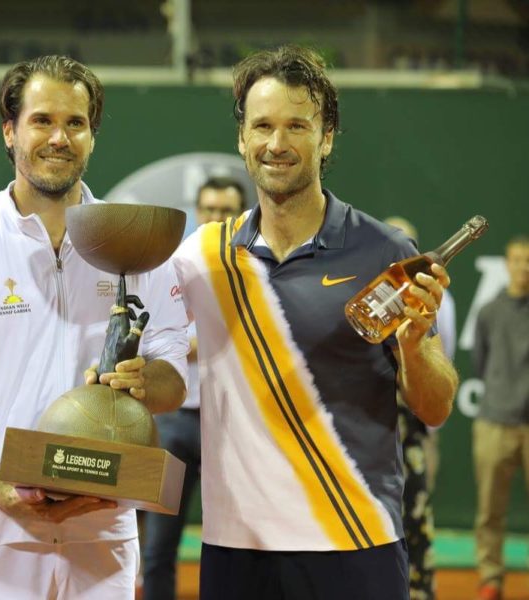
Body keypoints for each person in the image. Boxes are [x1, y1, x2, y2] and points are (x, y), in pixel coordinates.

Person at [170, 45, 458, 600]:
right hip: (238, 548)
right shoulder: (203, 255)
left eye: (297, 126)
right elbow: (116, 308)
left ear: (326, 139)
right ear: (242, 139)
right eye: (263, 126)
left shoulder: (386, 251)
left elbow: (436, 406)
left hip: (357, 541)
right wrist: (6, 218)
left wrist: (415, 346)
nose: (277, 144)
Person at [0, 55, 188, 600]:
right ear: (10, 132)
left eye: (75, 123)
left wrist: (144, 380)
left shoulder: (135, 244)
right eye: (42, 121)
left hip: (102, 535)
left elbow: (173, 378)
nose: (59, 137)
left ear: (92, 137)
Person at [141, 176, 246, 600]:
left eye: (226, 211)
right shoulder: (172, 266)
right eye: (210, 209)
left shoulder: (257, 270)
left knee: (238, 547)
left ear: (241, 216)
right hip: (174, 424)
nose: (216, 218)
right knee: (158, 545)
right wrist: (208, 340)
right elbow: (152, 341)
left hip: (233, 424)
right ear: (198, 212)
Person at [384, 215, 458, 600]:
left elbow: (444, 360)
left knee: (415, 514)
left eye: (408, 246)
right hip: (375, 431)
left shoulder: (438, 298)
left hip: (413, 428)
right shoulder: (372, 296)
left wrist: (431, 431)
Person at [471, 235, 529, 600]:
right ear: (507, 264)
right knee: (489, 510)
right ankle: (490, 578)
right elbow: (480, 363)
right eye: (518, 260)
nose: (524, 267)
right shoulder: (489, 312)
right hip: (494, 421)